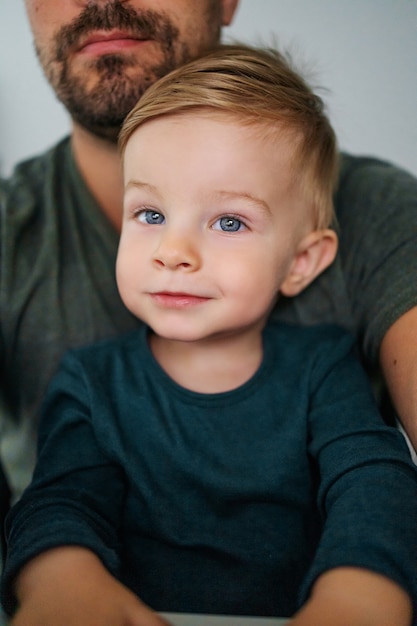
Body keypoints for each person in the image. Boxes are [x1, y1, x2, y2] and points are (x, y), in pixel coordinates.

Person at [2, 44, 417, 626]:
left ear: (301, 261)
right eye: (150, 215)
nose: (173, 252)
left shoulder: (323, 367)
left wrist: (359, 593)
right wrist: (63, 579)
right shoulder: (92, 380)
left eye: (228, 222)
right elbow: (61, 499)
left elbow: (372, 479)